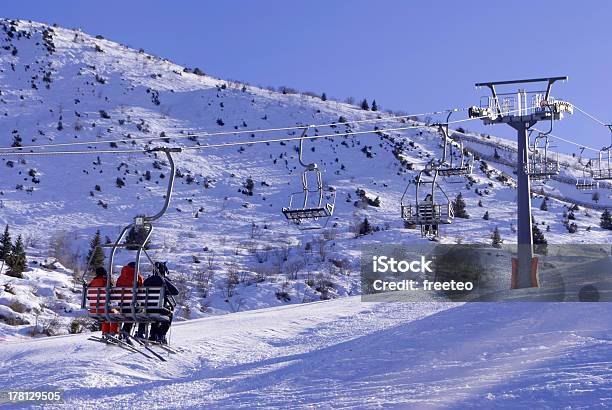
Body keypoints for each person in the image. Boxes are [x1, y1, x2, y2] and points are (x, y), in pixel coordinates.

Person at [138, 262, 179, 344]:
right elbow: (176, 291)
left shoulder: (147, 280)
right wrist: (166, 289)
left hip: (146, 309)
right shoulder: (163, 280)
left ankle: (153, 335)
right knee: (169, 314)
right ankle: (161, 334)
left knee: (156, 314)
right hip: (158, 309)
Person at [116, 261, 144, 341]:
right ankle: (127, 333)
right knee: (136, 312)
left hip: (121, 306)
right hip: (132, 306)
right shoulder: (137, 277)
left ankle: (123, 333)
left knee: (129, 313)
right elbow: (141, 291)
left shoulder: (120, 278)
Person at [87, 266, 118, 336]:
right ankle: (113, 332)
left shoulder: (92, 283)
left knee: (105, 316)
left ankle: (105, 332)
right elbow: (113, 295)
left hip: (94, 309)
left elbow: (88, 297)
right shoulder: (106, 282)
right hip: (104, 308)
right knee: (114, 314)